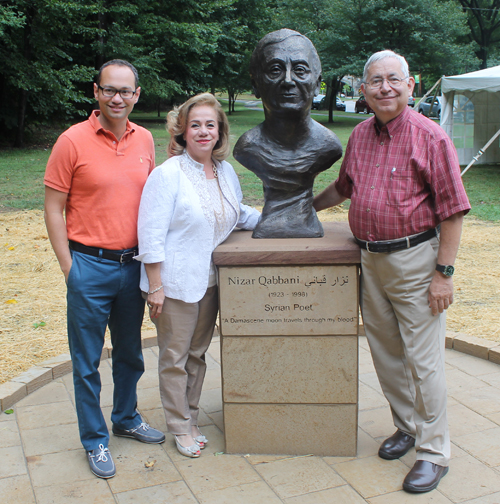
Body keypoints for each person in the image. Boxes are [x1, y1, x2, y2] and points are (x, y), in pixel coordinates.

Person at [314, 50, 470, 493]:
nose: (384, 87)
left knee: (423, 363)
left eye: (393, 80)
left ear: (410, 85)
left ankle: (435, 451)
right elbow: (344, 187)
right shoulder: (361, 135)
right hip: (370, 260)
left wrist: (444, 273)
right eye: (375, 81)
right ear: (362, 90)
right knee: (386, 355)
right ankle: (407, 426)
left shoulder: (430, 137)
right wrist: (305, 209)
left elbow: (454, 212)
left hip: (416, 262)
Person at [44, 59, 165, 480]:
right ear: (96, 91)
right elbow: (53, 209)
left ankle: (126, 417)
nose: (118, 98)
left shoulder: (147, 140)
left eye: (126, 91)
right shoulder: (71, 141)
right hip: (88, 267)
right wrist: (69, 267)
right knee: (87, 361)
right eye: (109, 90)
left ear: (136, 95)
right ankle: (95, 439)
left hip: (131, 267)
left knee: (131, 354)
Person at [135, 93, 260, 458]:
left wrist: (274, 220)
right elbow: (151, 233)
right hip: (173, 283)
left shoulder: (224, 171)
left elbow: (237, 213)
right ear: (182, 131)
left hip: (210, 282)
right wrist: (155, 286)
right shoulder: (167, 174)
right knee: (175, 357)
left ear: (220, 131)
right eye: (196, 125)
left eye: (211, 124)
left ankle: (190, 416)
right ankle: (179, 425)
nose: (204, 131)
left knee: (198, 354)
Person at [234, 29, 342, 238]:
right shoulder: (246, 148)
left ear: (317, 84)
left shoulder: (329, 146)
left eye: (300, 70)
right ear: (256, 84)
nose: (288, 80)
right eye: (275, 70)